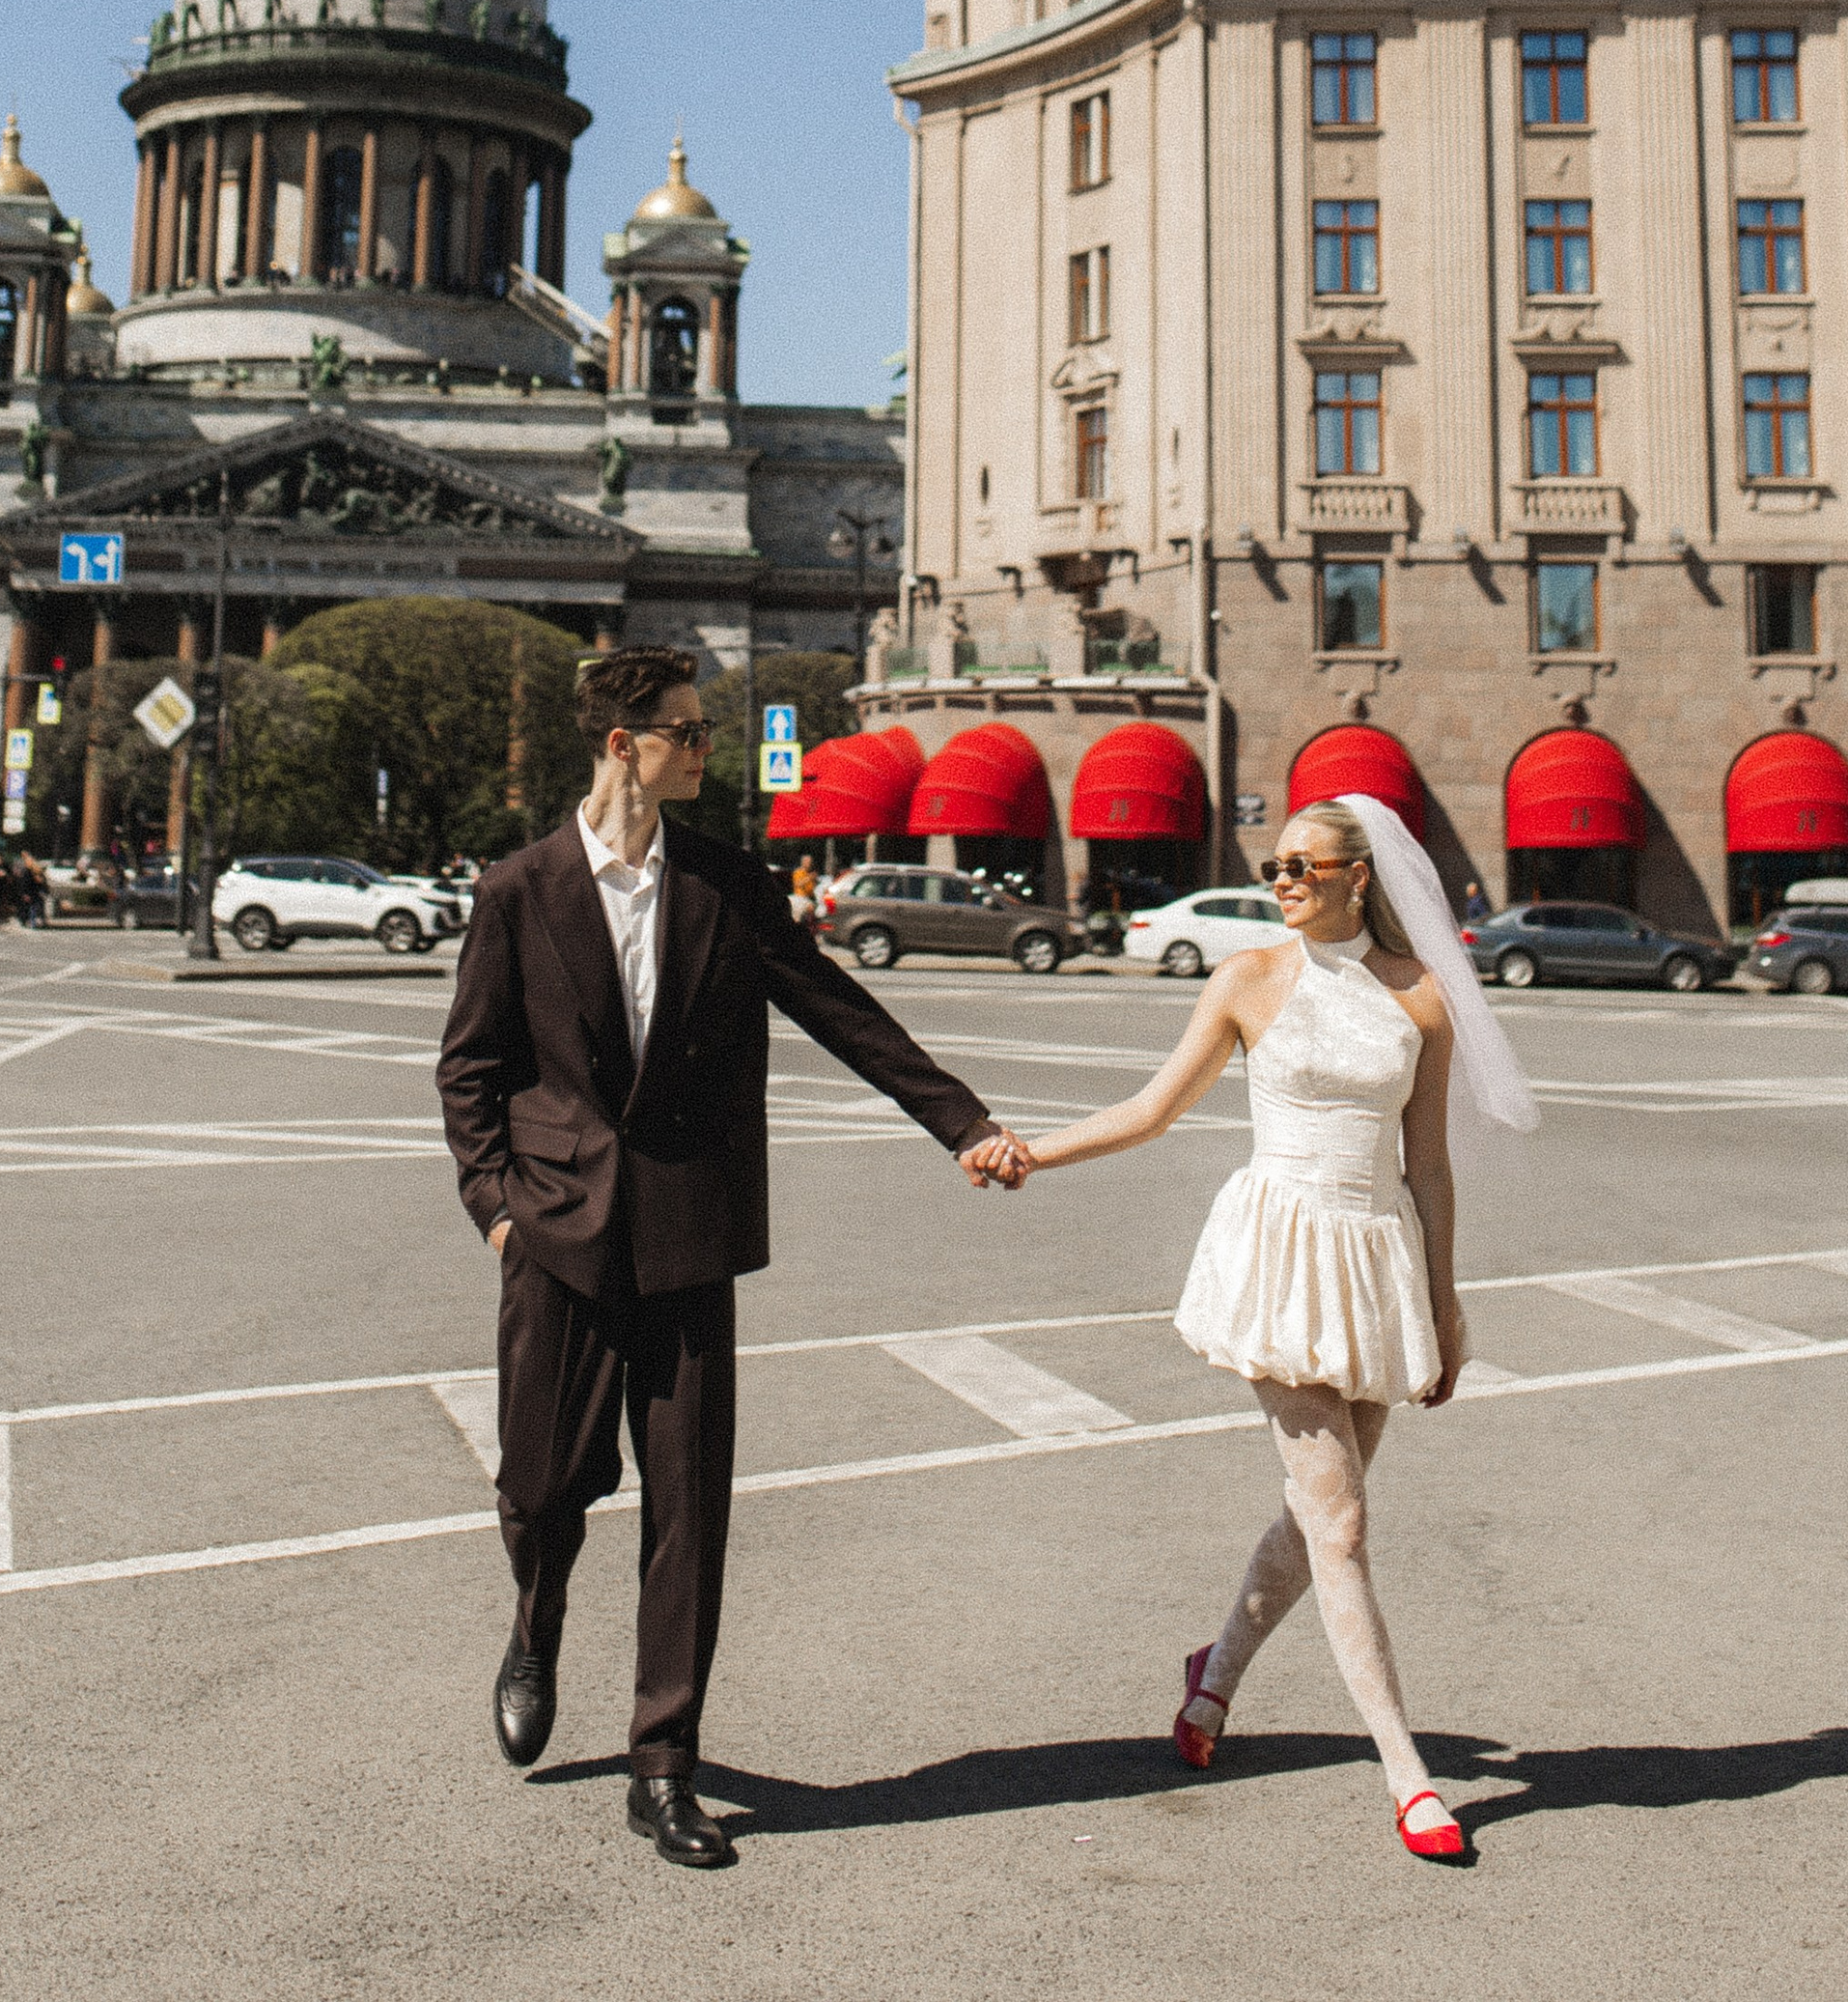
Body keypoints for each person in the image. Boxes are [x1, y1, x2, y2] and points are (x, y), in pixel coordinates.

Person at [436, 646, 1028, 1872]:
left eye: (703, 729)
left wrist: (961, 1123)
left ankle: (665, 1765)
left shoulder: (725, 884)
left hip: (692, 1235)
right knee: (542, 1487)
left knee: (689, 1510)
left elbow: (837, 1005)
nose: (704, 746)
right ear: (623, 745)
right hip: (553, 1236)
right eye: (685, 730)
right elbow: (472, 1069)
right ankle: (535, 1620)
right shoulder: (518, 889)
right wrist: (496, 1204)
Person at [1015, 792, 1537, 1863]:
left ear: (1359, 877)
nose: (1283, 878)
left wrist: (1444, 1303)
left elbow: (1426, 1165)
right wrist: (1029, 1150)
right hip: (1281, 1254)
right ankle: (1406, 1773)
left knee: (1316, 1514)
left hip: (1375, 1257)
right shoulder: (1246, 978)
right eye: (1275, 863)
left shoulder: (1421, 997)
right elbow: (1154, 1109)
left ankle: (1212, 1677)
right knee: (1341, 1524)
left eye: (1304, 864)